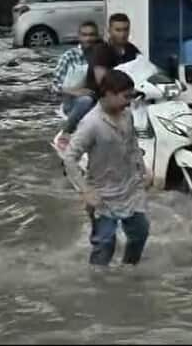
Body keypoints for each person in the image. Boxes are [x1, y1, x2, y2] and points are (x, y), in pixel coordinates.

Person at [63, 69, 150, 266]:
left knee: (140, 233)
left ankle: (129, 271)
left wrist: (143, 169)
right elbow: (69, 158)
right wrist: (85, 191)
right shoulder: (91, 124)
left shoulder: (126, 115)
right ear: (109, 94)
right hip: (102, 194)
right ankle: (97, 286)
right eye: (125, 96)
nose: (129, 102)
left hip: (130, 187)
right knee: (105, 243)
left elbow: (132, 145)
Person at [51, 21, 100, 149]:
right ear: (79, 36)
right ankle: (66, 132)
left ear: (97, 36)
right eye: (85, 35)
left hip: (98, 99)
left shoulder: (101, 55)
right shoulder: (69, 57)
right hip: (73, 102)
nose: (88, 38)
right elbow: (55, 86)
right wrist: (75, 91)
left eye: (92, 35)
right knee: (85, 100)